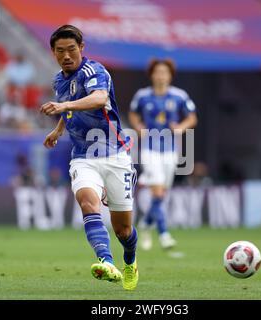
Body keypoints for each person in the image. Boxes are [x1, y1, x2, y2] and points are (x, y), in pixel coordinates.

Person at [40, 25, 138, 290]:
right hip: (83, 156)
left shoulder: (95, 71)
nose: (66, 55)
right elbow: (69, 108)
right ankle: (106, 262)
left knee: (124, 231)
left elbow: (98, 98)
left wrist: (64, 106)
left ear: (81, 48)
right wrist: (58, 129)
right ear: (53, 52)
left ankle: (130, 261)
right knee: (87, 202)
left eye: (71, 49)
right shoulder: (58, 80)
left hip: (115, 155)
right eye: (60, 51)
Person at [129, 58, 197, 250]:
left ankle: (144, 224)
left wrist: (181, 127)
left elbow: (192, 118)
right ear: (152, 75)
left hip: (171, 150)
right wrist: (138, 126)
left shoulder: (179, 96)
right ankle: (164, 234)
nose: (161, 76)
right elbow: (133, 114)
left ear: (170, 75)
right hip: (149, 150)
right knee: (157, 191)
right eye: (157, 72)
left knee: (160, 195)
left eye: (164, 72)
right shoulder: (142, 96)